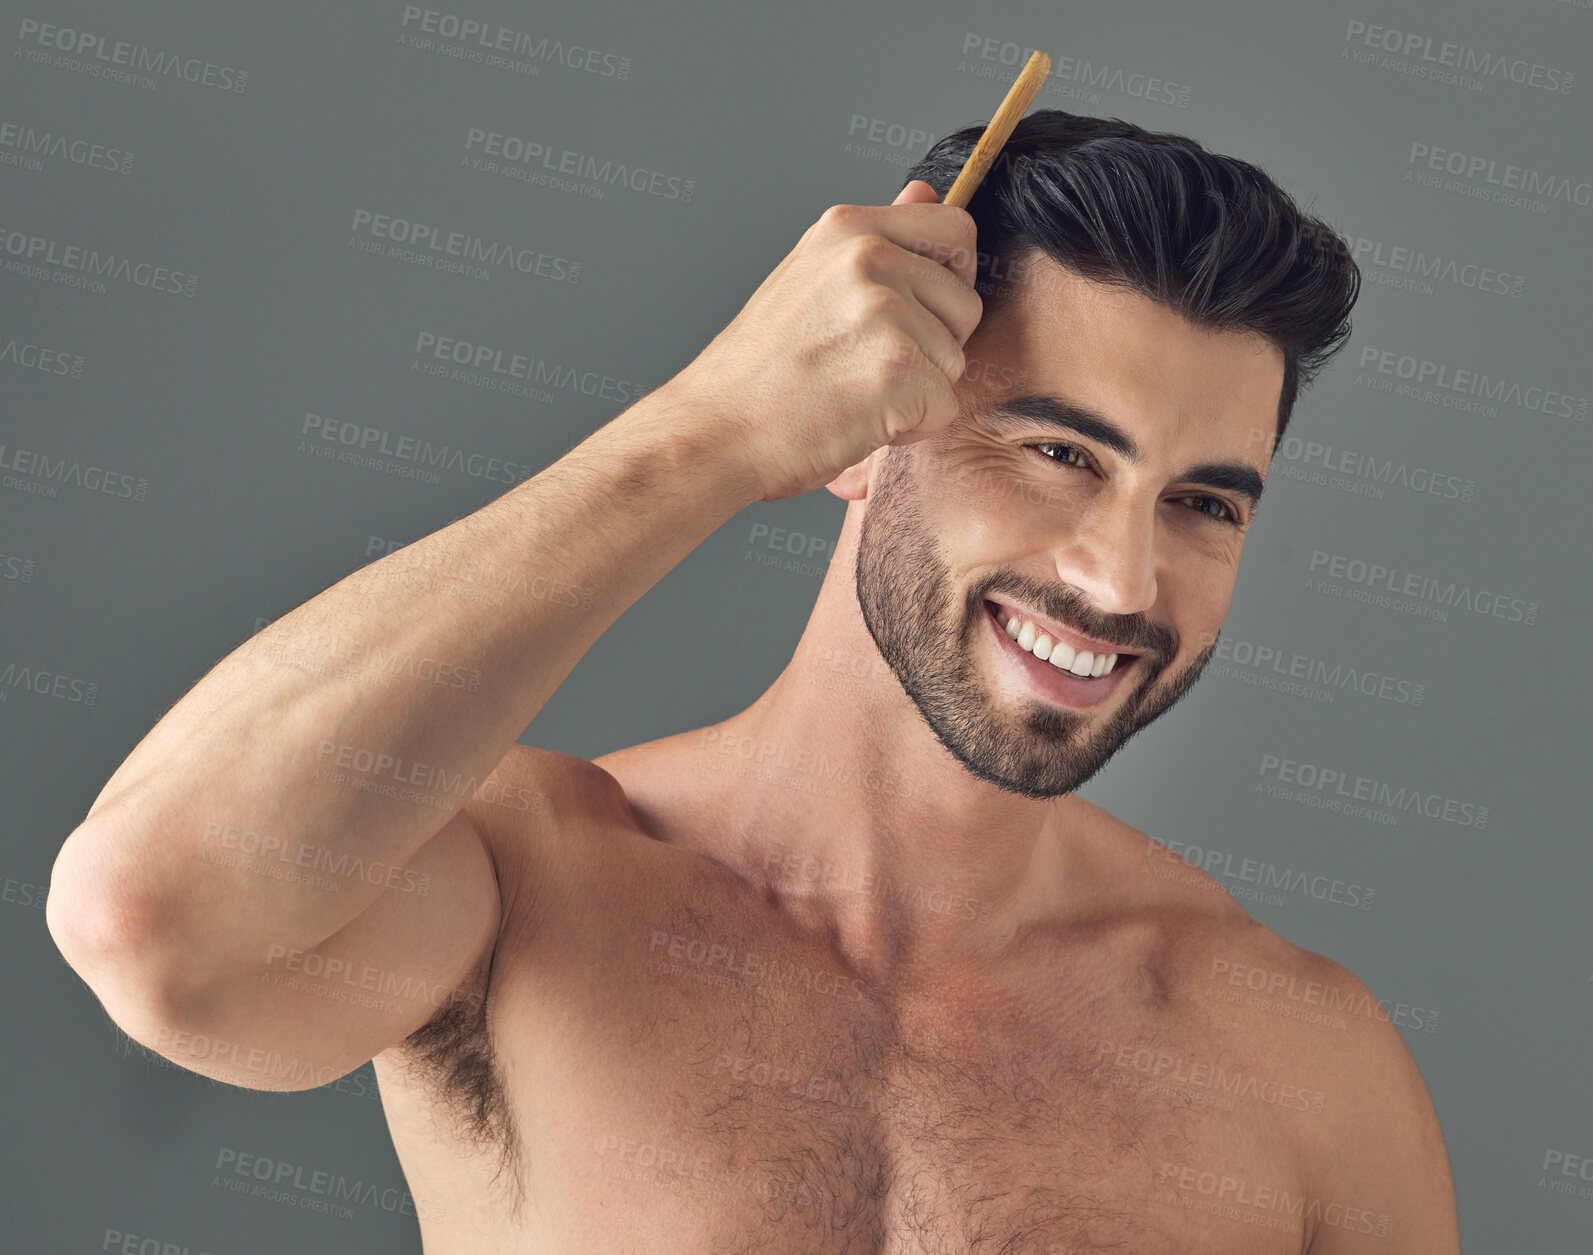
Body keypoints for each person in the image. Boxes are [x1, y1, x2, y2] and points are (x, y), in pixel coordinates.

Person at [47, 110, 1460, 1252]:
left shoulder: (1296, 1061)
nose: (1121, 583)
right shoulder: (529, 892)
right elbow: (157, 921)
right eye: (1056, 455)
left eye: (1205, 504)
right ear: (854, 435)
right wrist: (710, 428)